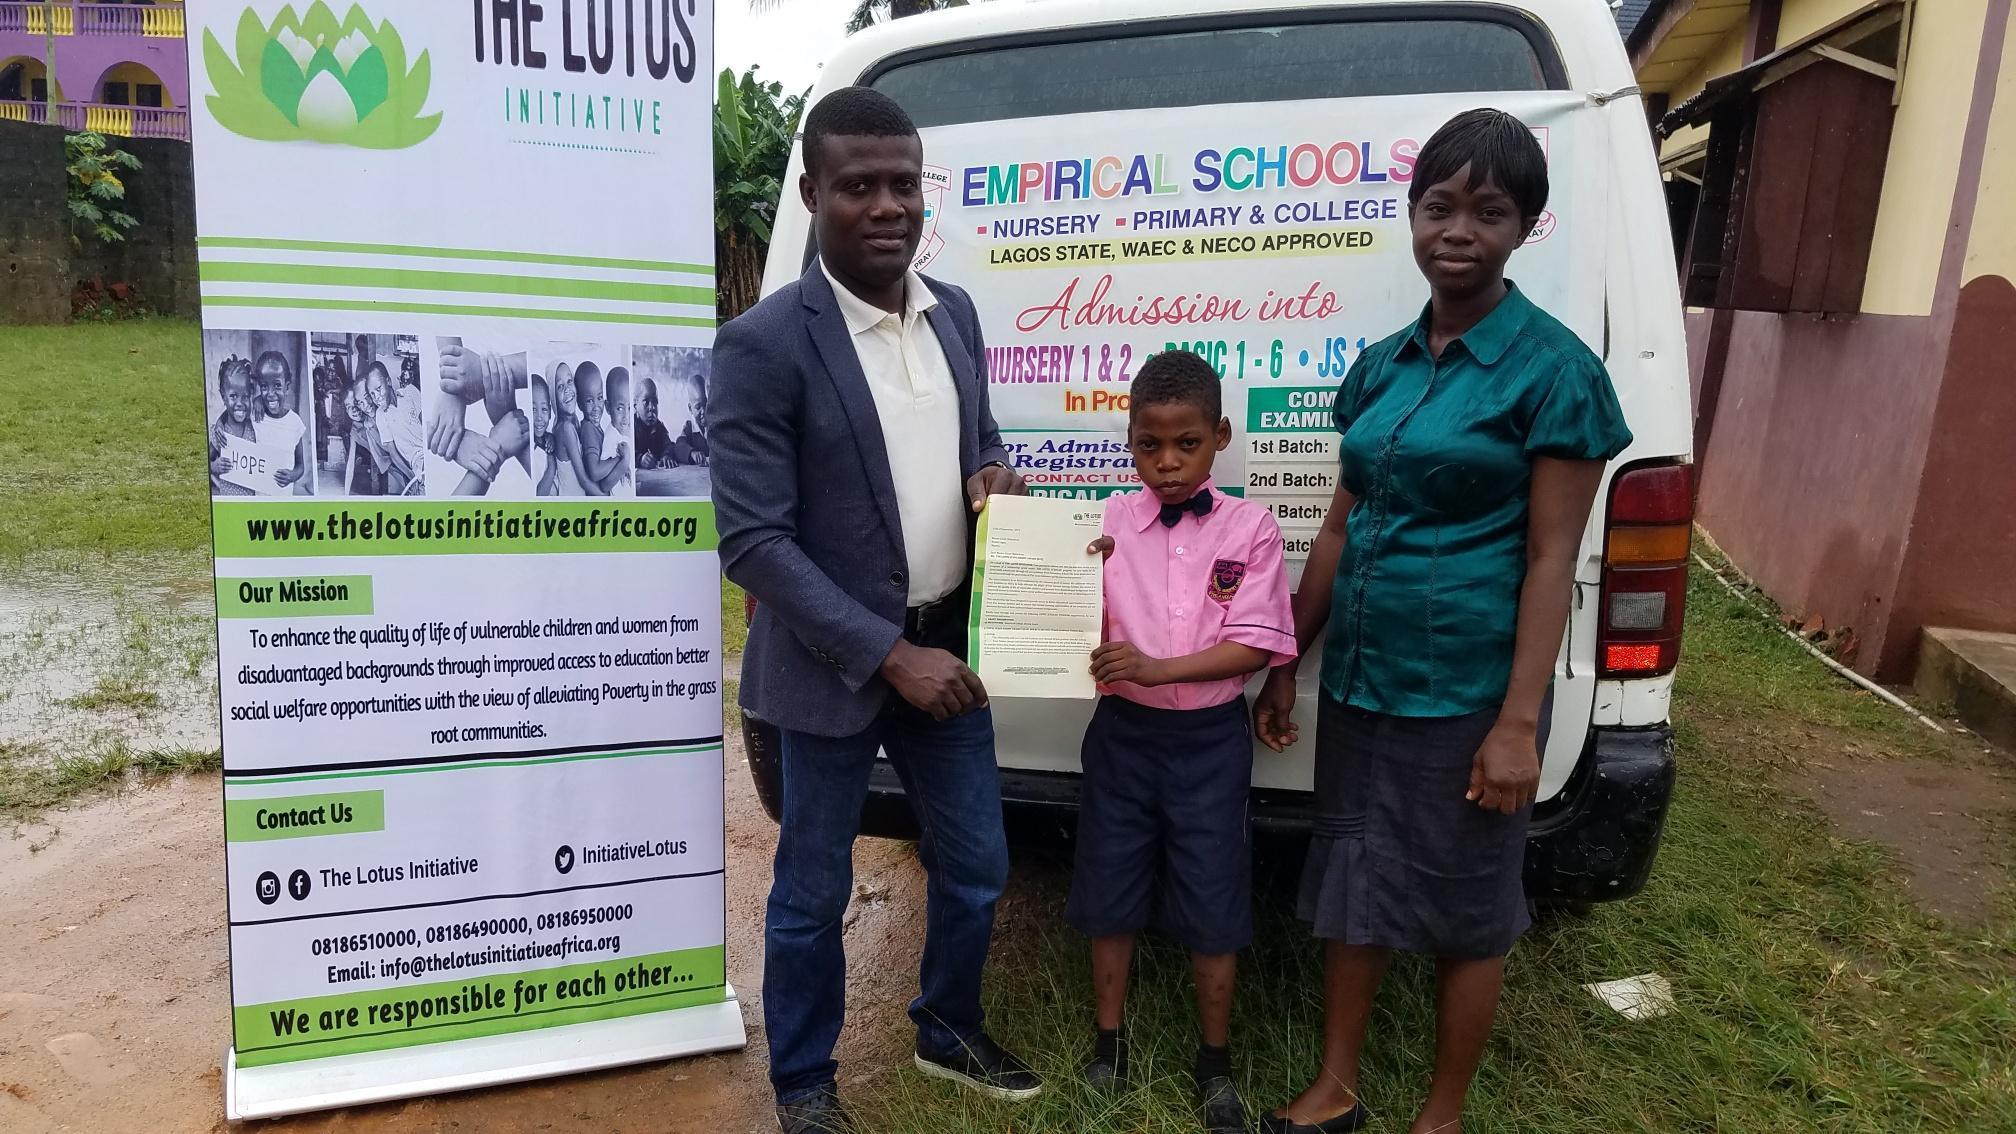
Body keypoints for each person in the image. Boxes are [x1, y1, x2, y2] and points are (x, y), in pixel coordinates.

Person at [1253, 109, 1633, 1134]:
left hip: (1469, 692)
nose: (1457, 228)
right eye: (1439, 205)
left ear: (1524, 228)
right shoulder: (1380, 367)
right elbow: (1340, 524)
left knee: (1469, 910)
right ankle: (1337, 1087)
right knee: (1354, 882)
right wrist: (1291, 654)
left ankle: (1442, 1114)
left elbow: (1554, 555)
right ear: (1413, 216)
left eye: (1488, 209)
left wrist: (1518, 722)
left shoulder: (1555, 372)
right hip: (1367, 681)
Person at [709, 85, 1035, 1134]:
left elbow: (977, 441)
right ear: (812, 194)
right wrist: (890, 657)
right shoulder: (765, 344)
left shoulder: (958, 314)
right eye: (859, 187)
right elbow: (754, 543)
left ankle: (945, 1029)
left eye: (904, 184)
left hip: (951, 647)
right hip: (833, 668)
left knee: (979, 865)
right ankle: (805, 1084)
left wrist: (995, 476)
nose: (888, 206)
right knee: (812, 890)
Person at [1074, 350, 1296, 1134]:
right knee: (1110, 883)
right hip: (1123, 736)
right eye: (1149, 445)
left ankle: (1214, 1065)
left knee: (1213, 892)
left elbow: (1256, 645)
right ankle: (1108, 1046)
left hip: (1208, 740)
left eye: (1187, 444)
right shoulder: (1101, 524)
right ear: (1128, 442)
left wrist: (1157, 666)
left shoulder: (1251, 527)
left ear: (1220, 438)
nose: (1167, 465)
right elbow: (1053, 602)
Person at [251, 350, 309, 494]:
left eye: (277, 385)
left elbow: (300, 466)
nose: (270, 393)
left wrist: (292, 476)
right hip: (257, 501)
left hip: (283, 500)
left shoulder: (295, 423)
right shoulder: (255, 416)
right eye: (264, 386)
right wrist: (256, 399)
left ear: (287, 387)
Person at [208, 356, 259, 496]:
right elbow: (205, 462)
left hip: (254, 502)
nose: (239, 402)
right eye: (233, 396)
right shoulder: (220, 432)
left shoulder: (255, 427)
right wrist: (214, 466)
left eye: (245, 396)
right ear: (223, 396)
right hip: (230, 504)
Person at [635, 376, 672, 469]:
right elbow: (625, 451)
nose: (652, 407)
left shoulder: (659, 427)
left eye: (655, 402)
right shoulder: (629, 427)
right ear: (635, 405)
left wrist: (666, 456)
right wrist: (640, 459)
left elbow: (668, 445)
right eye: (646, 402)